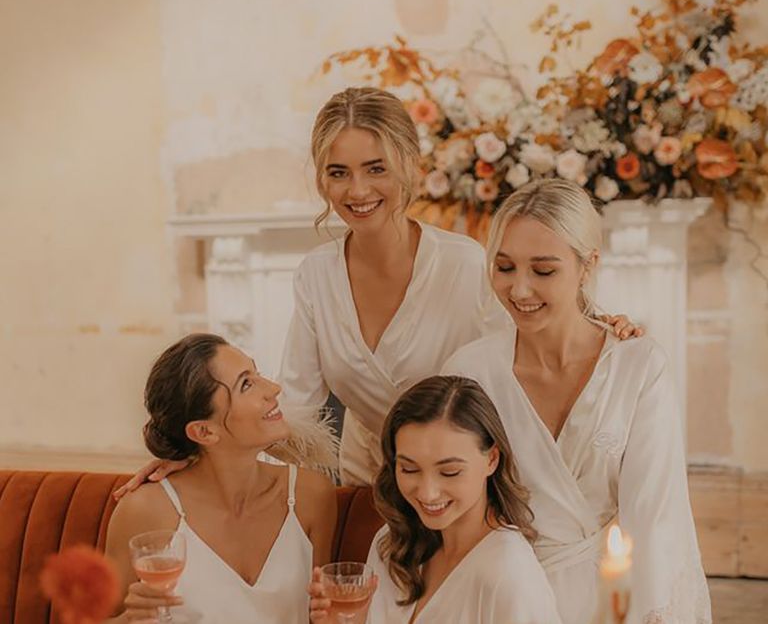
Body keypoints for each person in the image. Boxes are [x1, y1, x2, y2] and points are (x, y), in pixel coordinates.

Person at [114, 86, 640, 494]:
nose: (357, 191)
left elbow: (530, 359)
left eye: (375, 169)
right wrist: (196, 458)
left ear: (410, 166)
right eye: (338, 172)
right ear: (321, 180)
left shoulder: (463, 264)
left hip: (467, 492)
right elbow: (293, 404)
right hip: (365, 487)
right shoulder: (316, 275)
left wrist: (602, 326)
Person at [441, 179, 711, 624]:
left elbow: (656, 517)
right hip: (501, 597)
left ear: (587, 266)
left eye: (543, 271)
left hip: (609, 597)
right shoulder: (471, 372)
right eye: (504, 267)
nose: (520, 290)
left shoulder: (638, 366)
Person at [105, 333, 337, 624]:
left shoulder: (310, 495)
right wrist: (129, 620)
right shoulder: (145, 510)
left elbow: (323, 616)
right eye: (246, 384)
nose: (274, 389)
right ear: (204, 432)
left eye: (257, 373)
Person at [309, 375, 562, 624]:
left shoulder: (509, 576)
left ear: (492, 459)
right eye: (409, 469)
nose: (427, 493)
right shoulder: (392, 543)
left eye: (449, 472)